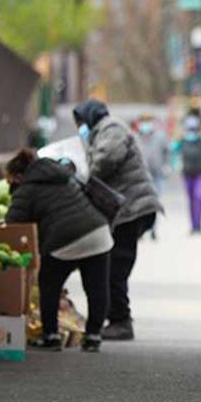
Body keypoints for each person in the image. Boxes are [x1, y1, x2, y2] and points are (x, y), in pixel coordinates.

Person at [4, 149, 113, 353]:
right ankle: (93, 337)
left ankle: (51, 336)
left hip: (65, 239)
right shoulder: (61, 174)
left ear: (18, 175)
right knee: (97, 288)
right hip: (98, 232)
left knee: (49, 284)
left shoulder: (27, 188)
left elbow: (12, 223)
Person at [73, 99, 163, 341]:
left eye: (80, 122)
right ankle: (114, 317)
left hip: (133, 208)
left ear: (90, 116)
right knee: (113, 264)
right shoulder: (103, 131)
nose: (80, 127)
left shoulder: (111, 128)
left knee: (116, 266)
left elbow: (106, 160)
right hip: (128, 208)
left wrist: (83, 170)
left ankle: (121, 321)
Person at [171, 113, 201, 234]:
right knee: (191, 199)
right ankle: (193, 226)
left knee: (199, 197)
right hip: (187, 173)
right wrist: (175, 164)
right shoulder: (181, 141)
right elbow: (172, 152)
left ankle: (199, 224)